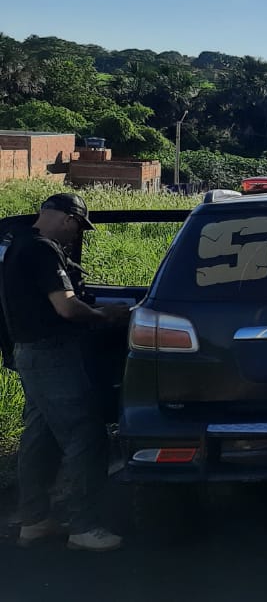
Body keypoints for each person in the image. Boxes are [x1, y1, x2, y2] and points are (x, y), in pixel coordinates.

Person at [2, 194, 129, 551]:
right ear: (67, 218)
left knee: (39, 437)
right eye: (77, 226)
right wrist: (105, 316)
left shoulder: (16, 245)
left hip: (28, 353)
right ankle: (84, 527)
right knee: (86, 435)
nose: (75, 234)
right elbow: (67, 307)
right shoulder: (43, 249)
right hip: (53, 355)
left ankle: (34, 521)